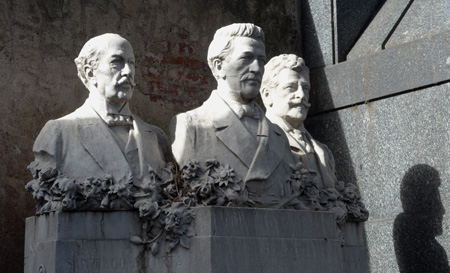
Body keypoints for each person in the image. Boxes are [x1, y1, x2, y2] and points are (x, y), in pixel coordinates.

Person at [170, 23, 296, 207]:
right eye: (246, 58)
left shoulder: (279, 136)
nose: (257, 68)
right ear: (218, 65)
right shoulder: (190, 126)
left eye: (261, 60)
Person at [30, 33, 174, 188]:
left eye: (131, 63)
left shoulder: (156, 137)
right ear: (90, 73)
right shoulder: (58, 134)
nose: (128, 71)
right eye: (116, 62)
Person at [260, 54, 337, 189]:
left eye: (305, 89)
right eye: (291, 87)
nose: (301, 95)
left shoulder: (323, 151)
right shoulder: (258, 142)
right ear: (267, 95)